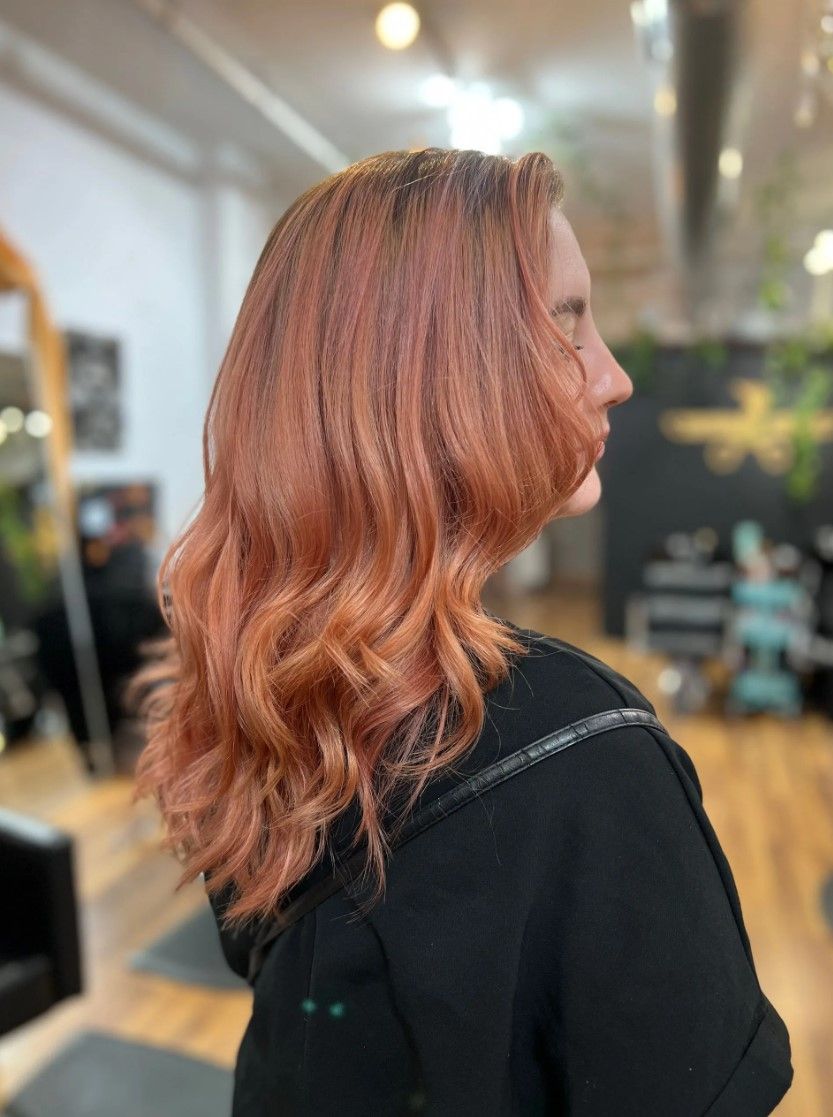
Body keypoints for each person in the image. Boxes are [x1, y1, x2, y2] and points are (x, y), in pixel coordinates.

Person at [127, 147, 793, 1115]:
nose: (610, 378)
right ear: (431, 376)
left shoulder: (262, 689)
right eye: (565, 322)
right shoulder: (584, 752)